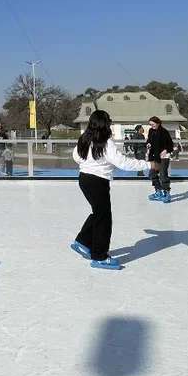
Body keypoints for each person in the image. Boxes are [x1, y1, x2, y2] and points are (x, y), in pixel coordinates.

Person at [71, 110, 151, 270]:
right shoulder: (106, 142)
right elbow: (122, 163)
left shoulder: (84, 138)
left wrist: (88, 163)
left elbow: (76, 156)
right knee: (104, 219)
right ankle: (99, 256)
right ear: (104, 123)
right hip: (97, 181)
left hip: (84, 179)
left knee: (99, 213)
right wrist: (147, 164)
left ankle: (82, 241)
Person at [146, 116, 175, 203]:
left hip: (163, 157)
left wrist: (166, 150)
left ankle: (166, 192)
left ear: (157, 123)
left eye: (153, 124)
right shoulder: (151, 131)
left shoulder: (164, 132)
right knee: (152, 174)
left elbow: (170, 144)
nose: (151, 126)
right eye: (150, 124)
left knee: (163, 175)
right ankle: (158, 191)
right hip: (154, 157)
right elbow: (149, 140)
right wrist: (148, 144)